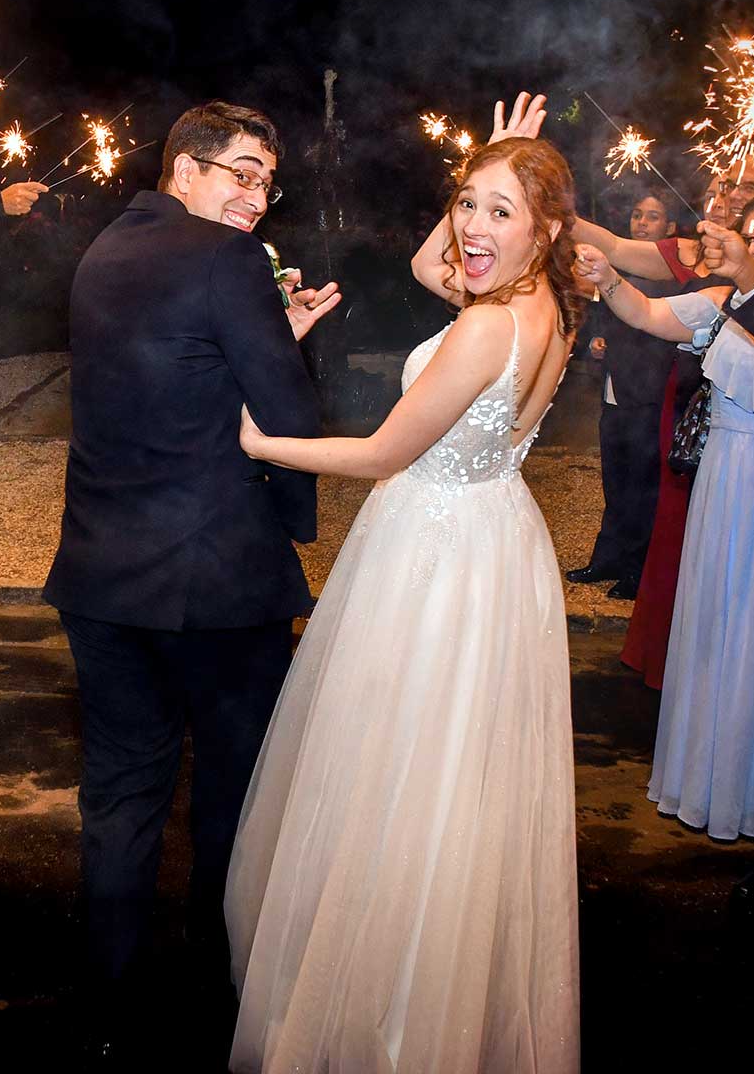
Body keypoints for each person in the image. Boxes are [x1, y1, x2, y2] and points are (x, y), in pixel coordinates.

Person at [227, 97, 580, 1072]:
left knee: (400, 767)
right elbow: (438, 267)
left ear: (545, 227)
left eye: (501, 212)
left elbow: (385, 448)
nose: (471, 227)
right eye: (467, 203)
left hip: (433, 550)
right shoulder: (545, 308)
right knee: (457, 775)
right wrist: (485, 169)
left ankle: (387, 1007)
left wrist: (264, 439)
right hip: (496, 535)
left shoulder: (485, 331)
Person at [40, 100, 340, 1064]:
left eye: (267, 181)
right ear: (185, 170)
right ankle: (221, 988)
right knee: (231, 792)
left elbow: (175, 380)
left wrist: (260, 327)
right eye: (240, 173)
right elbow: (286, 417)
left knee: (122, 793)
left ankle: (110, 1002)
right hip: (215, 586)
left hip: (99, 574)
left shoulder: (101, 256)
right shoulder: (227, 261)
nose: (256, 197)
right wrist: (283, 337)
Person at [578, 192, 754, 841]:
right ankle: (703, 779)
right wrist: (608, 279)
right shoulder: (726, 303)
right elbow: (653, 313)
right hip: (721, 479)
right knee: (714, 620)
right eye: (751, 236)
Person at [567, 193, 682, 600]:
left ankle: (639, 570)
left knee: (645, 485)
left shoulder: (667, 275)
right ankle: (608, 558)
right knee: (616, 480)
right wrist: (598, 344)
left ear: (669, 229)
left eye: (653, 217)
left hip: (649, 395)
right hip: (615, 390)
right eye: (637, 214)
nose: (642, 223)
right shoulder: (618, 271)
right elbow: (601, 315)